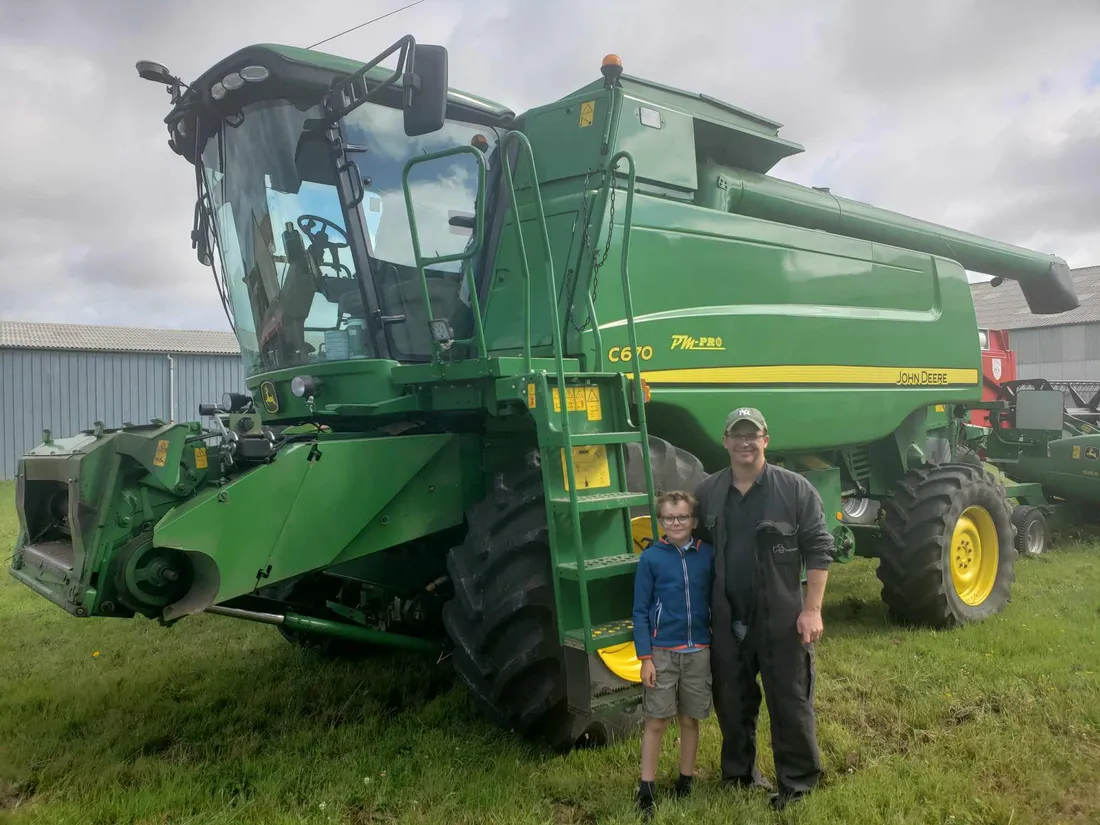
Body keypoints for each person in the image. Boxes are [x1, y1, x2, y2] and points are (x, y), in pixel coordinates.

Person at [693, 406, 834, 811]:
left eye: (752, 435)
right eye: (737, 435)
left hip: (781, 620)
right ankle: (739, 776)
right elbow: (696, 551)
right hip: (727, 619)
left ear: (765, 440)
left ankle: (798, 783)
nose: (745, 443)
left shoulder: (795, 490)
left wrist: (813, 609)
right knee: (732, 702)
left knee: (790, 701)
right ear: (725, 442)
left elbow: (819, 549)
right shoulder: (708, 492)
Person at [630, 490, 715, 818]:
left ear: (694, 521)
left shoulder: (707, 555)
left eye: (682, 517)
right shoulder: (651, 558)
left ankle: (686, 781)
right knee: (656, 720)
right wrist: (645, 658)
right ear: (660, 521)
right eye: (668, 517)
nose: (676, 523)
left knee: (690, 719)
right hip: (662, 653)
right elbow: (640, 610)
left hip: (699, 651)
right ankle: (646, 789)